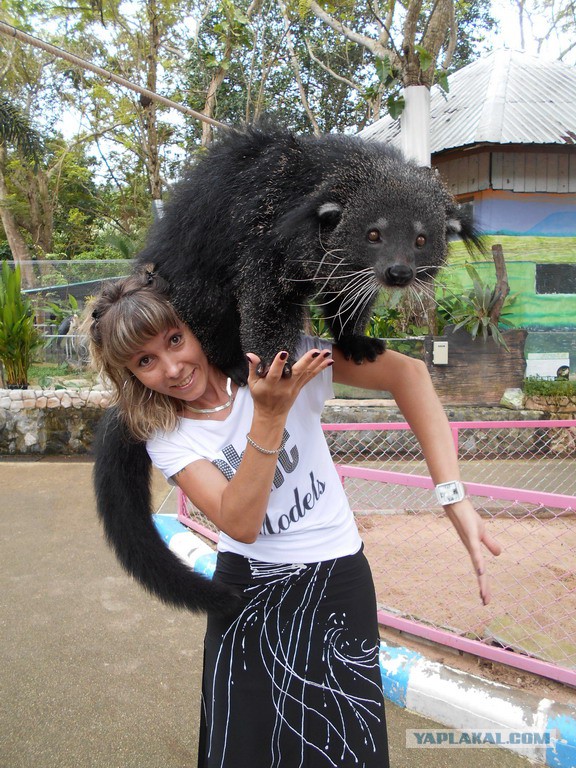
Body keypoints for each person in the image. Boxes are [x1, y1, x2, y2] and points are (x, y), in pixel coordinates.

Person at [87, 270, 501, 768]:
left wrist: (452, 496)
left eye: (175, 339)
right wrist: (269, 415)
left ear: (196, 324)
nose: (173, 367)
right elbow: (239, 523)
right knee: (245, 748)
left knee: (344, 745)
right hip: (250, 592)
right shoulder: (168, 432)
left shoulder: (280, 355)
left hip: (337, 578)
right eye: (146, 361)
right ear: (130, 374)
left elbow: (407, 373)